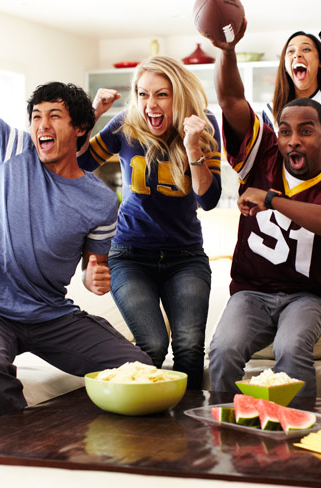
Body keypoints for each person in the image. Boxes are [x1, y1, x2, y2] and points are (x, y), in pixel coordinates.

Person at [0, 5, 152, 420]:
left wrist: (96, 278)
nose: (42, 124)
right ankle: (25, 456)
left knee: (139, 368)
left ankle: (90, 445)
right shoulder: (12, 149)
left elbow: (93, 271)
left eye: (54, 116)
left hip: (49, 314)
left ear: (80, 128)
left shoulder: (100, 201)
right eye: (37, 116)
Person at [206, 23, 321, 398]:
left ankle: (299, 440)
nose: (293, 140)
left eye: (306, 131)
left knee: (290, 348)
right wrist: (227, 50)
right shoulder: (262, 155)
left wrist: (271, 199)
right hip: (251, 292)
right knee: (223, 348)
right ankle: (223, 436)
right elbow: (231, 101)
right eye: (284, 131)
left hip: (310, 295)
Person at [77, 56, 222, 389]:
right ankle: (143, 428)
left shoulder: (204, 125)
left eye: (161, 95)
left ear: (179, 95)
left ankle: (186, 431)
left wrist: (192, 147)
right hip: (129, 254)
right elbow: (82, 162)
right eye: (143, 94)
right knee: (153, 345)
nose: (150, 105)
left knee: (188, 347)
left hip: (185, 257)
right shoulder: (126, 124)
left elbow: (209, 199)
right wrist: (94, 114)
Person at [263, 0, 321, 174]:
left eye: (306, 49)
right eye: (291, 51)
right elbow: (268, 164)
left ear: (320, 62)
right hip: (290, 198)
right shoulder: (271, 110)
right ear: (285, 66)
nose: (297, 54)